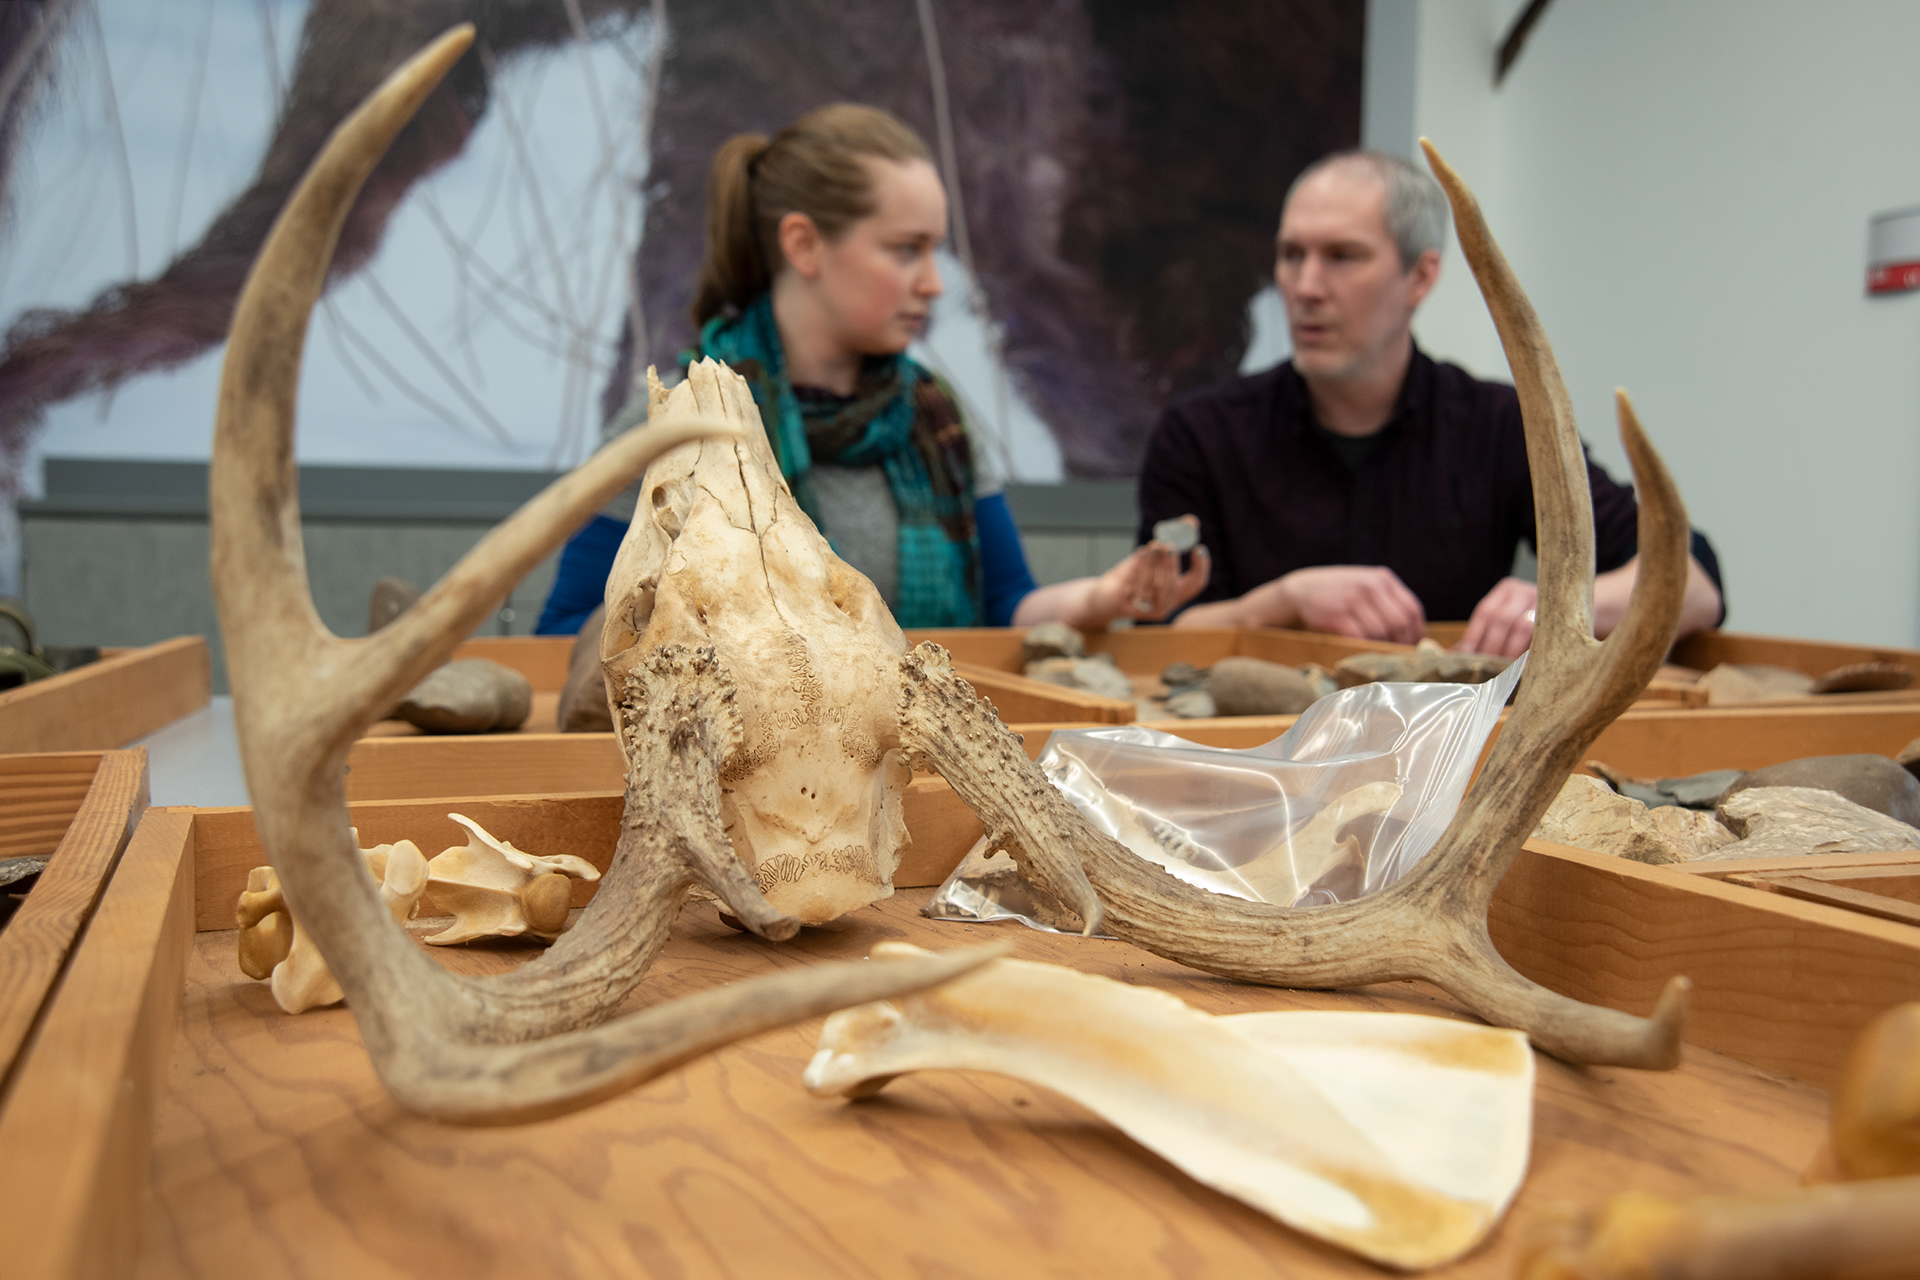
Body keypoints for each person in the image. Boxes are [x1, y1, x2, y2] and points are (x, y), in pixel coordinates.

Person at [538, 104, 1208, 636]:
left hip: (919, 749)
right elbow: (564, 634)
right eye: (906, 250)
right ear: (804, 245)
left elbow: (1004, 605)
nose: (933, 283)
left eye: (936, 251)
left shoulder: (935, 417)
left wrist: (1102, 598)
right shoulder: (679, 419)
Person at [1135, 150, 1725, 658]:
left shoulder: (1499, 425)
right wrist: (1283, 602)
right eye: (1292, 255)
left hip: (1450, 742)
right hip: (1252, 740)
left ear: (1419, 278)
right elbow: (1155, 632)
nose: (1306, 287)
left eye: (1342, 256)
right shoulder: (1199, 432)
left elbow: (1692, 581)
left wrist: (1563, 608)